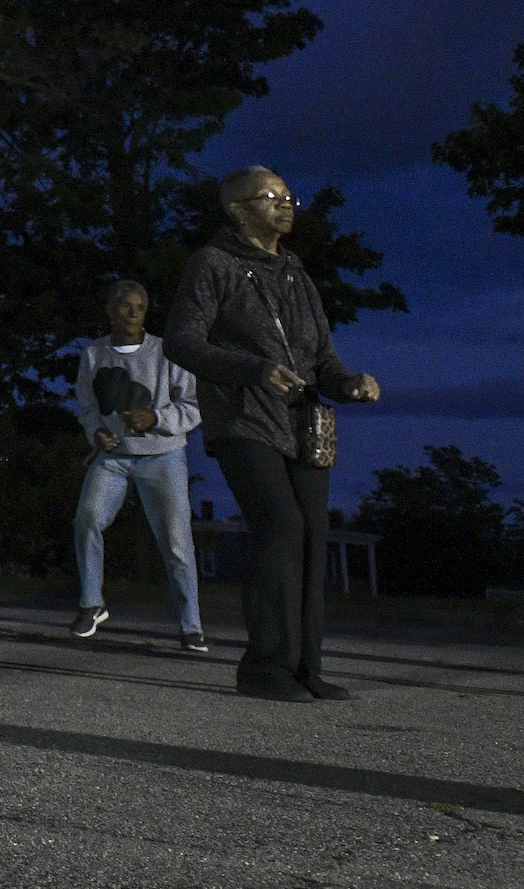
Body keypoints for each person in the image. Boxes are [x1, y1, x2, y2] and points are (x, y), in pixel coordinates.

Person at [161, 167, 381, 702]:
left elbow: (322, 357)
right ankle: (263, 668)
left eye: (288, 196)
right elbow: (181, 342)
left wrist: (348, 381)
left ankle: (306, 667)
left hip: (301, 422)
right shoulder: (213, 265)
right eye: (271, 197)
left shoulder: (295, 273)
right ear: (237, 209)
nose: (286, 205)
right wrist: (252, 369)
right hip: (242, 417)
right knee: (279, 526)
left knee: (310, 535)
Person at [67, 274, 206, 654]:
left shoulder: (166, 352)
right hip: (113, 457)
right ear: (111, 311)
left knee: (177, 540)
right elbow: (88, 407)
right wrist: (96, 432)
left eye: (140, 307)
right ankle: (91, 605)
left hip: (162, 456)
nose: (133, 313)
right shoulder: (94, 354)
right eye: (125, 306)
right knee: (88, 518)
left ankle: (191, 625)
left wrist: (155, 419)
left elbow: (193, 405)